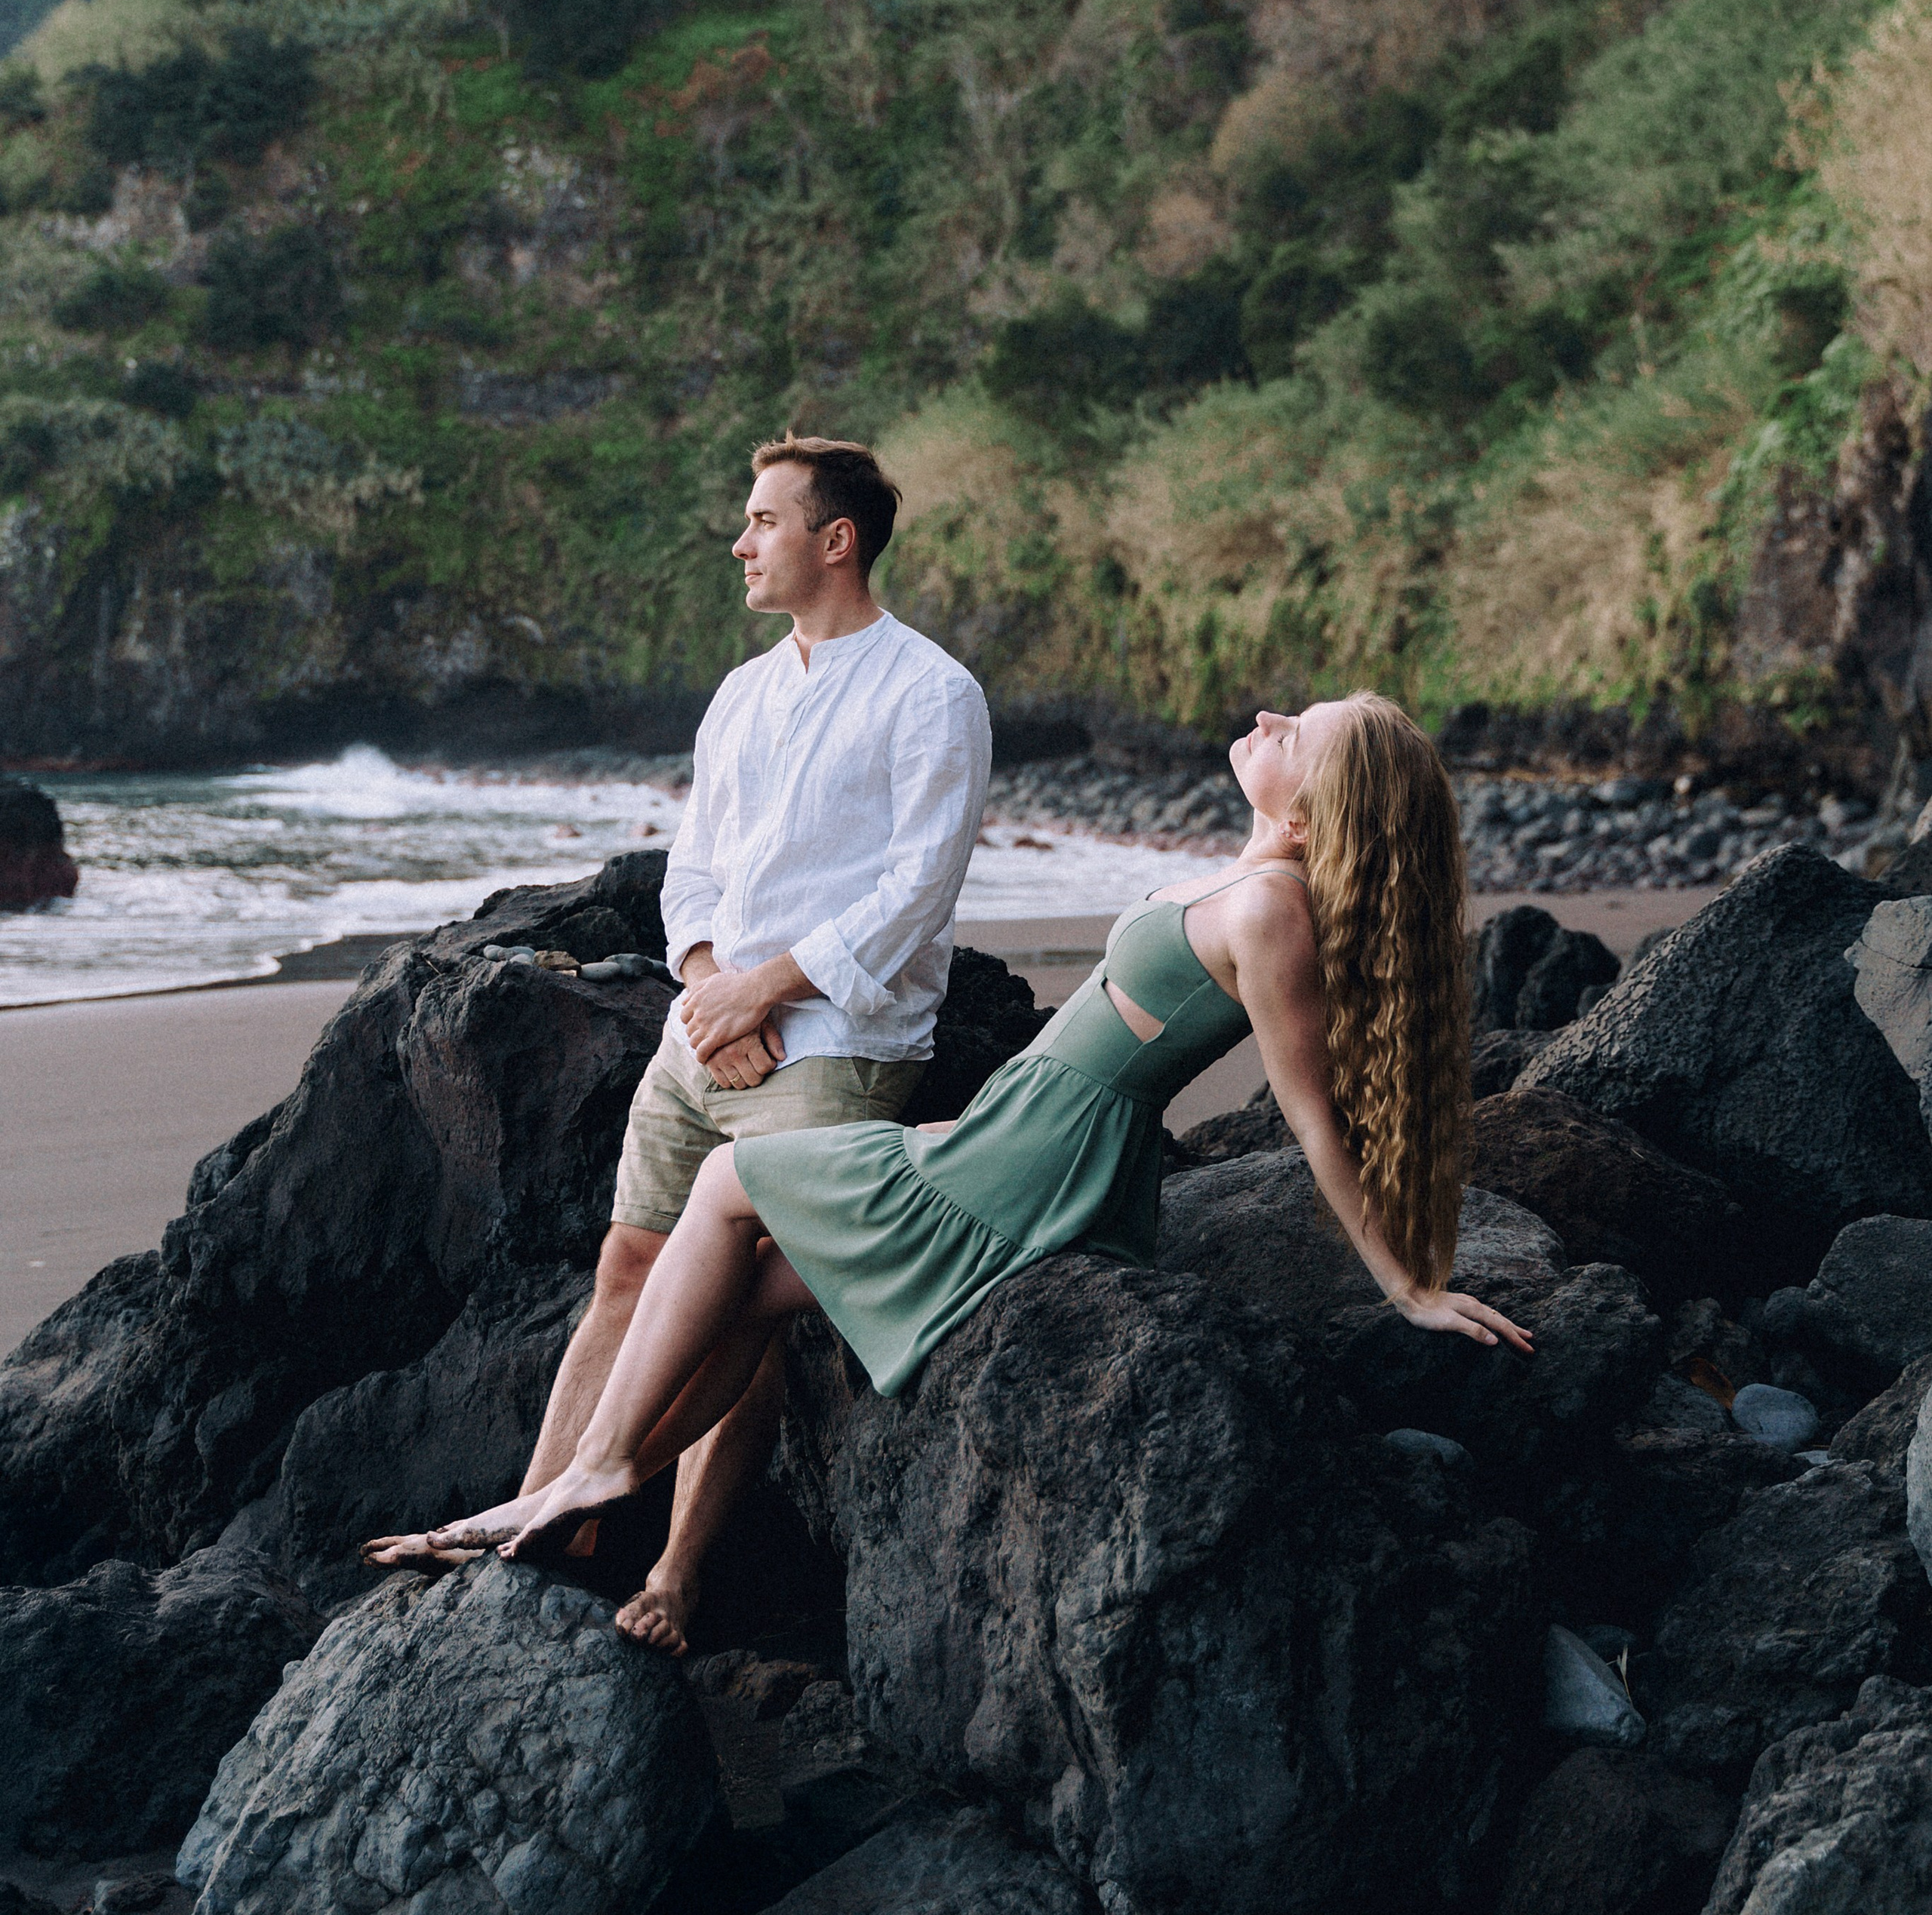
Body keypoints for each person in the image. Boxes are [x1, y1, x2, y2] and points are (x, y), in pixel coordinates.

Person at [401, 691, 1534, 1588]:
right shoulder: (1250, 883)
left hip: (1042, 1159)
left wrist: (1407, 1285)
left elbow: (1312, 1114)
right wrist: (973, 1125)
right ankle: (576, 1496)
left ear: (1310, 817)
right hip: (1014, 1129)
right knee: (749, 1291)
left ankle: (595, 1470)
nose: (1271, 717)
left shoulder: (1272, 910)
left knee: (729, 1178)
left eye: (1299, 734)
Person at [363, 432, 991, 1646]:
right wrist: (708, 988)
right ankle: (540, 1519)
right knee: (629, 1268)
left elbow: (919, 889)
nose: (741, 543)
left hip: (838, 1037)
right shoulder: (745, 692)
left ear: (836, 540)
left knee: (745, 1302)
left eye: (763, 522)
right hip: (704, 1031)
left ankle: (678, 1573)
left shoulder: (931, 692)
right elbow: (693, 867)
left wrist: (768, 993)